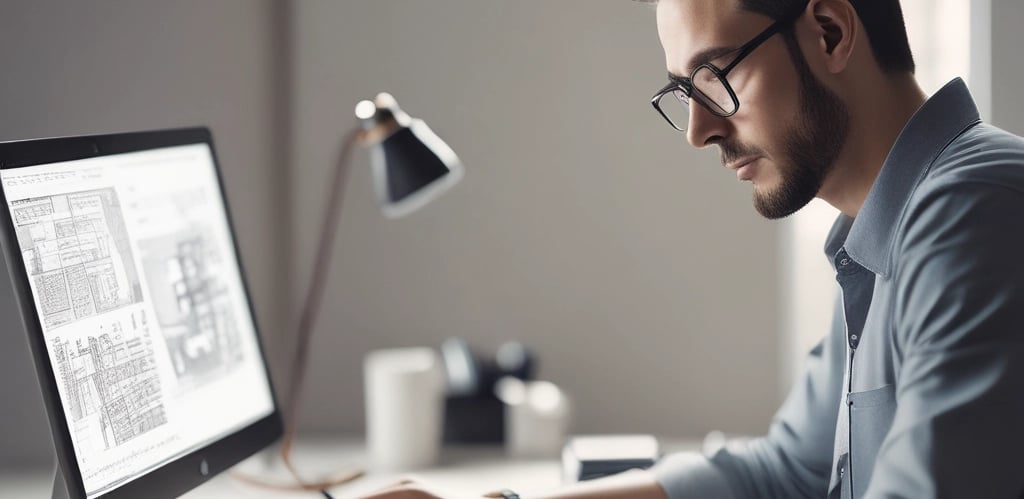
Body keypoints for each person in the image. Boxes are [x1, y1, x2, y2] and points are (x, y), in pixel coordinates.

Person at [359, 0, 1024, 497]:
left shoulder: (972, 213)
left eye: (715, 76)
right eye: (685, 91)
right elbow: (783, 472)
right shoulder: (885, 232)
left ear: (830, 31)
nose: (698, 130)